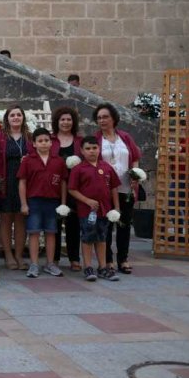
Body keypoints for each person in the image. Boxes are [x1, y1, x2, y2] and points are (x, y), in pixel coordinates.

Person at [94, 102, 141, 274]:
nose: (102, 120)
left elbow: (134, 157)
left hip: (126, 188)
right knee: (105, 224)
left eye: (105, 117)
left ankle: (123, 258)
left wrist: (136, 174)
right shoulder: (96, 139)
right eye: (99, 118)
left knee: (124, 224)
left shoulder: (125, 137)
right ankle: (107, 259)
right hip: (105, 189)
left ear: (113, 118)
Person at [0, 105, 34, 270]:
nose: (16, 118)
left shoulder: (29, 137)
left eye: (18, 115)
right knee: (6, 218)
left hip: (24, 182)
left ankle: (19, 255)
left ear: (23, 118)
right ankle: (8, 255)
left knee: (21, 218)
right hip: (4, 181)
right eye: (12, 115)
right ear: (7, 118)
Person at [68, 136, 121, 282]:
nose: (91, 151)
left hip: (105, 210)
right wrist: (87, 201)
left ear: (99, 149)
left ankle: (103, 267)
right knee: (87, 237)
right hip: (87, 211)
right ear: (82, 151)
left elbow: (114, 188)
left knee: (102, 238)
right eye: (88, 149)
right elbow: (72, 189)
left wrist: (116, 207)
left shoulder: (106, 167)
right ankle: (88, 267)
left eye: (94, 148)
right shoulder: (78, 169)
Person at [18, 128, 68, 278]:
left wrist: (63, 203)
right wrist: (24, 203)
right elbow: (22, 182)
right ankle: (34, 264)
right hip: (34, 201)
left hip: (53, 202)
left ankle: (50, 263)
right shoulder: (28, 160)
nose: (44, 143)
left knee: (51, 232)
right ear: (34, 144)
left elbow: (63, 183)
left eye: (46, 140)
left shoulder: (58, 161)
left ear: (51, 143)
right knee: (34, 233)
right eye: (40, 141)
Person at [50, 106, 83, 272]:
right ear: (57, 121)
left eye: (69, 119)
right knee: (54, 223)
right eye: (62, 119)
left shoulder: (79, 141)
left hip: (75, 187)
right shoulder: (51, 140)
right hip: (54, 186)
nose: (65, 122)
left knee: (73, 223)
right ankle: (54, 258)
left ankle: (74, 258)